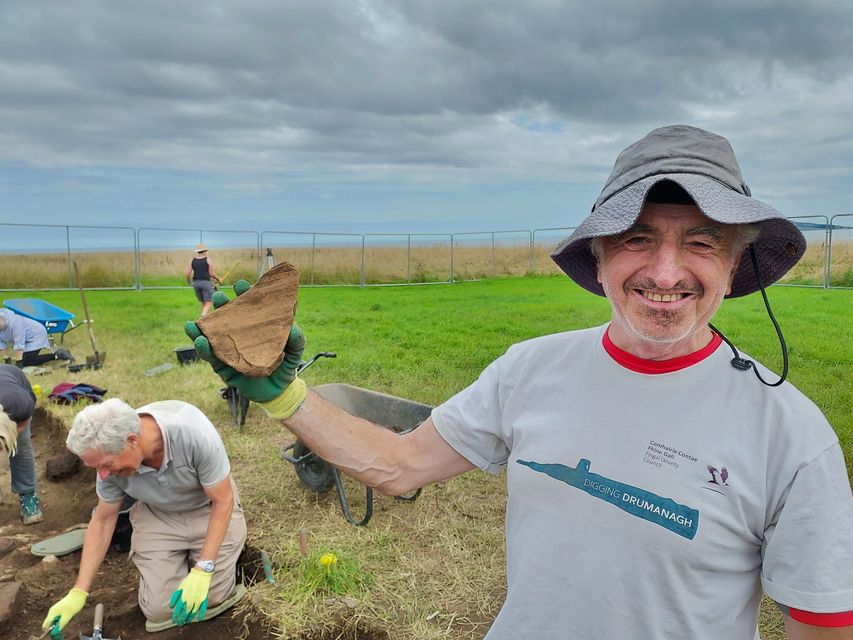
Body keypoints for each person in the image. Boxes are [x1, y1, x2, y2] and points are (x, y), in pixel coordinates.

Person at [185, 125, 853, 639]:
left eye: (702, 242)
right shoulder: (530, 370)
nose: (665, 271)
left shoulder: (790, 438)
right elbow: (397, 465)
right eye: (636, 238)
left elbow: (820, 624)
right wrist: (282, 392)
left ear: (735, 266)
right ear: (598, 255)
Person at [41, 398, 247, 634]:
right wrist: (78, 592)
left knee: (211, 598)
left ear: (132, 440)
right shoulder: (108, 459)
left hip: (208, 508)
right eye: (97, 468)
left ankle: (212, 563)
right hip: (156, 514)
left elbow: (223, 500)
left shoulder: (193, 434)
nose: (103, 475)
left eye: (107, 465)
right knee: (161, 609)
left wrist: (203, 568)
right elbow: (103, 519)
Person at [0, 364, 44, 524]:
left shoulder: (21, 404)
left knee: (21, 447)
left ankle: (28, 496)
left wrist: (13, 436)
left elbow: (23, 423)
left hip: (14, 381)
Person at [0, 309, 72, 366]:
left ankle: (59, 355)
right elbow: (1, 343)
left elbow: (19, 342)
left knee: (26, 361)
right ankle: (58, 354)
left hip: (37, 335)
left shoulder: (15, 322)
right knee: (24, 359)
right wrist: (6, 358)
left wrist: (19, 363)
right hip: (26, 340)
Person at [185, 243, 221, 317]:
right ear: (205, 251)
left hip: (196, 283)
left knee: (203, 302)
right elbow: (211, 274)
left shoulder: (192, 260)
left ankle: (202, 320)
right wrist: (218, 279)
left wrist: (189, 282)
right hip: (206, 283)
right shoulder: (208, 260)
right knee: (208, 302)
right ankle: (203, 315)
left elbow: (187, 274)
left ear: (198, 251)